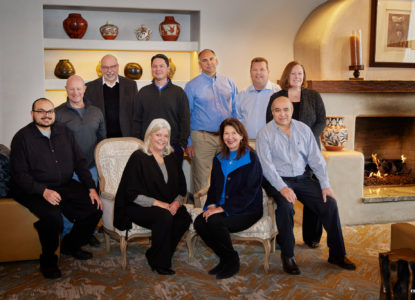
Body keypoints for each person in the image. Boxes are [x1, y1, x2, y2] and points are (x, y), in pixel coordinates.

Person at [256, 96, 356, 275]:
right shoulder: (264, 133)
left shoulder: (304, 130)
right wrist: (282, 188)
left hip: (302, 178)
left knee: (330, 203)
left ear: (292, 111)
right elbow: (266, 167)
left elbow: (316, 160)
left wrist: (325, 185)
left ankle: (337, 254)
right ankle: (288, 256)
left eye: (286, 109)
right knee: (285, 207)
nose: (282, 114)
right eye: (277, 110)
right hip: (278, 180)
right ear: (272, 113)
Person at [10, 98, 103, 279]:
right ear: (32, 114)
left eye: (50, 111)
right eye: (41, 111)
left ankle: (70, 245)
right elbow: (19, 174)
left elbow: (80, 162)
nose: (46, 115)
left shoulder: (64, 132)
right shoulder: (22, 137)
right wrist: (43, 191)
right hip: (33, 189)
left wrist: (91, 187)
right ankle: (48, 260)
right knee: (52, 218)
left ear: (54, 113)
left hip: (64, 184)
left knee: (94, 208)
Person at [114, 118, 191, 275]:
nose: (162, 139)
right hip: (138, 206)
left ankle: (155, 253)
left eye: (165, 136)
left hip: (166, 204)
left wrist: (176, 203)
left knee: (183, 217)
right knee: (164, 216)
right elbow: (130, 193)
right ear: (149, 135)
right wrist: (158, 203)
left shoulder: (170, 156)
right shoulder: (139, 157)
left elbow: (181, 187)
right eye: (158, 135)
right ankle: (161, 262)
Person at [266, 61, 326, 249]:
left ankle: (312, 237)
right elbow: (270, 123)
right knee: (284, 199)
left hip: (310, 153)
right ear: (287, 76)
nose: (297, 77)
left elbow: (322, 121)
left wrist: (305, 140)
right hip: (283, 156)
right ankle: (284, 238)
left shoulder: (314, 96)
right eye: (293, 74)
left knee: (314, 195)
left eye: (300, 73)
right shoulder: (277, 97)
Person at [194, 118, 263, 279]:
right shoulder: (219, 158)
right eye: (226, 133)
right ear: (222, 136)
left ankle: (231, 261)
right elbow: (214, 188)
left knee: (215, 222)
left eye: (234, 133)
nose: (230, 137)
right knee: (199, 222)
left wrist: (222, 209)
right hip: (221, 208)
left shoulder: (251, 158)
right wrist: (211, 205)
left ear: (241, 136)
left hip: (247, 210)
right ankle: (227, 258)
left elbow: (249, 193)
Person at [184, 49, 238, 192]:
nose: (209, 63)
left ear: (217, 61)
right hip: (201, 138)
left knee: (228, 176)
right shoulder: (191, 86)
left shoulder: (229, 82)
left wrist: (238, 136)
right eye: (204, 60)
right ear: (199, 64)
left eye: (211, 59)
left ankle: (224, 211)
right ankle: (200, 212)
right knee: (201, 180)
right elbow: (186, 115)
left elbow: (235, 110)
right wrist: (189, 142)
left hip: (226, 137)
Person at [132, 54, 190, 163]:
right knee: (148, 178)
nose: (158, 69)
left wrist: (182, 144)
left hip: (173, 146)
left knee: (173, 179)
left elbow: (185, 119)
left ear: (168, 69)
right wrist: (139, 143)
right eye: (154, 66)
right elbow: (136, 120)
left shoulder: (179, 92)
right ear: (151, 69)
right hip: (148, 146)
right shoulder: (143, 92)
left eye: (161, 66)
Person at [55, 74, 106, 184]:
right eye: (71, 89)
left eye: (78, 88)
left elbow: (102, 140)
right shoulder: (57, 113)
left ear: (84, 89)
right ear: (66, 89)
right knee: (72, 200)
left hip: (92, 168)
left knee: (92, 199)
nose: (75, 92)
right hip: (69, 170)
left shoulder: (96, 112)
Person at [85, 54, 138, 138]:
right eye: (105, 67)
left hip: (126, 137)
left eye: (113, 66)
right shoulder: (90, 87)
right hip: (100, 138)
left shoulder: (131, 85)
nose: (109, 70)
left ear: (118, 67)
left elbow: (136, 113)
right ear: (101, 69)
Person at [235, 57, 280, 139]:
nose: (258, 73)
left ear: (268, 72)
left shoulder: (277, 92)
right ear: (250, 73)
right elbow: (238, 119)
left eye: (262, 69)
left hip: (271, 143)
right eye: (255, 70)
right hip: (248, 143)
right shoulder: (242, 94)